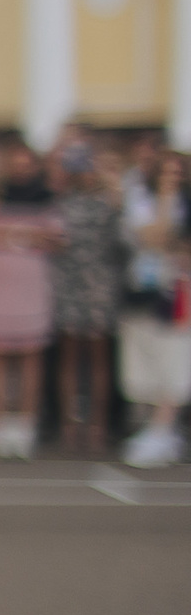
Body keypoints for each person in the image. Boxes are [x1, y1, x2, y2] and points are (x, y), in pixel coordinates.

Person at [0, 139, 63, 460]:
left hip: (32, 287)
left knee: (30, 358)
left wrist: (9, 235)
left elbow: (54, 239)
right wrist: (24, 236)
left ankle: (25, 427)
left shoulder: (47, 200)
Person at [49, 136, 126, 454]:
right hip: (67, 282)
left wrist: (115, 190)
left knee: (98, 357)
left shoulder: (113, 202)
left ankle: (97, 424)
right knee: (69, 355)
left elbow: (123, 242)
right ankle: (69, 423)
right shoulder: (60, 200)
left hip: (100, 283)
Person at [118, 149, 188, 468]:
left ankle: (163, 429)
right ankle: (159, 429)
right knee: (144, 358)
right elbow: (153, 236)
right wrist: (165, 200)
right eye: (165, 173)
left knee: (175, 356)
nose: (171, 179)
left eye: (177, 174)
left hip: (180, 291)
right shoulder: (140, 201)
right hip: (142, 291)